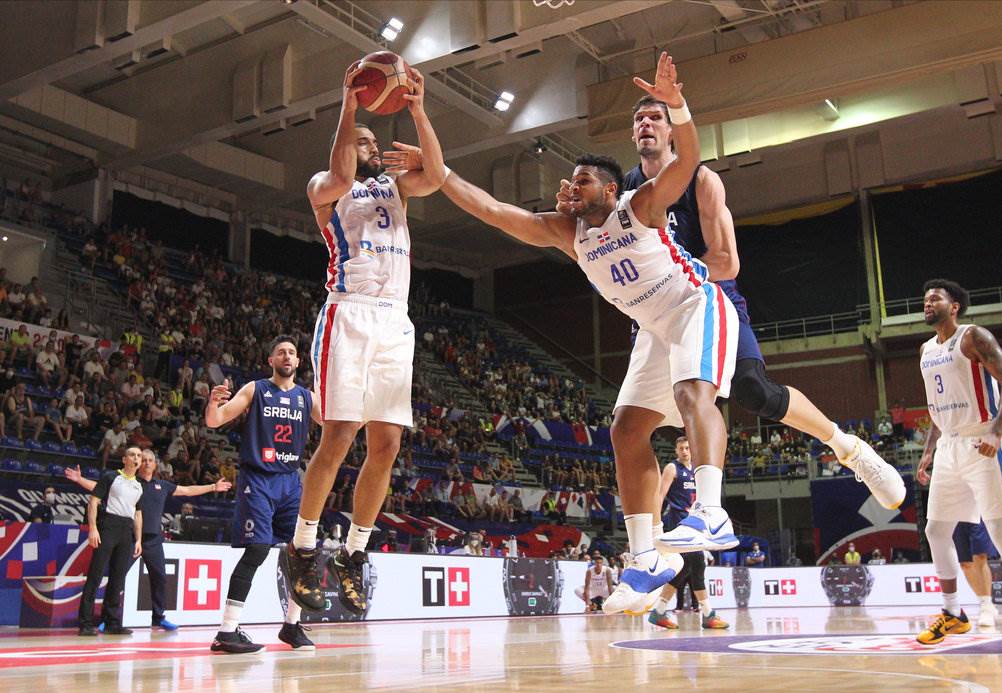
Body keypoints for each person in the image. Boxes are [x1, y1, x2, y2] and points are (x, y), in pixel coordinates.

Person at [430, 53, 720, 615]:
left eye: (582, 180)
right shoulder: (569, 233)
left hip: (692, 306)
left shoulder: (639, 205)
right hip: (652, 327)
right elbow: (493, 210)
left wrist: (678, 106)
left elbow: (686, 163)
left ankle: (710, 510)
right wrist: (441, 175)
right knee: (625, 430)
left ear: (610, 190)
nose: (570, 187)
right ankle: (646, 557)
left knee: (692, 396)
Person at [618, 92, 904, 513]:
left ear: (671, 131)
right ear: (632, 134)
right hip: (660, 310)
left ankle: (849, 448)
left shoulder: (700, 180)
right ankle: (652, 539)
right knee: (635, 422)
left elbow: (726, 262)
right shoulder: (627, 189)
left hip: (711, 296)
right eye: (639, 119)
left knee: (753, 390)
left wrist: (664, 276)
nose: (646, 124)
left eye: (655, 118)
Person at [285, 61, 447, 617]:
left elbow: (437, 175)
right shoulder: (325, 188)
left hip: (395, 319)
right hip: (349, 313)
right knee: (338, 436)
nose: (372, 147)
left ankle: (354, 553)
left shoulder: (394, 188)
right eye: (363, 141)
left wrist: (419, 110)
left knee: (388, 444)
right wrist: (349, 107)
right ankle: (303, 548)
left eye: (375, 142)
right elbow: (338, 170)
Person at [915, 279, 1002, 652]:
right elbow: (938, 407)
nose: (927, 303)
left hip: (982, 439)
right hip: (949, 445)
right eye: (925, 300)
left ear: (954, 306)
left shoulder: (973, 337)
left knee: (1000, 532)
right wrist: (928, 451)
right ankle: (953, 613)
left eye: (935, 299)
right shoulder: (925, 349)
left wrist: (997, 432)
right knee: (936, 530)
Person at [205, 336, 322, 653]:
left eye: (292, 353)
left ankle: (292, 626)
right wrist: (213, 402)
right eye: (281, 352)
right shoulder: (255, 389)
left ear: (298, 362)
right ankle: (227, 631)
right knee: (257, 549)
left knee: (302, 552)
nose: (287, 356)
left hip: (290, 481)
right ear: (271, 360)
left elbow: (338, 426)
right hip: (258, 479)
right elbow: (215, 420)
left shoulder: (306, 397)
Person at [65, 450, 230, 630]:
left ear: (155, 464)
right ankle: (108, 619)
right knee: (117, 578)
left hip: (153, 539)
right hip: (130, 537)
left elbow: (188, 490)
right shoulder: (131, 482)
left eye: (150, 460)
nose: (146, 463)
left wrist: (213, 487)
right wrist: (80, 480)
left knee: (160, 578)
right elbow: (101, 488)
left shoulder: (162, 485)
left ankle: (158, 617)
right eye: (143, 460)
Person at [648, 437, 727, 630]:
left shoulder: (697, 470)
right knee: (698, 563)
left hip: (695, 524)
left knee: (685, 568)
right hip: (679, 524)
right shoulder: (672, 468)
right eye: (681, 448)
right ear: (676, 450)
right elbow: (660, 495)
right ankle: (708, 614)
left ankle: (659, 611)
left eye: (687, 448)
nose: (684, 451)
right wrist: (655, 525)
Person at [77, 447, 144, 636]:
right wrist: (93, 528)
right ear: (124, 459)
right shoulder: (111, 477)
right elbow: (93, 501)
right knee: (96, 575)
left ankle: (112, 622)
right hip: (108, 526)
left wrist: (138, 539)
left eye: (139, 456)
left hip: (126, 530)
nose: (136, 458)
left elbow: (138, 514)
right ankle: (85, 622)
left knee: (118, 577)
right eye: (132, 455)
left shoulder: (139, 485)